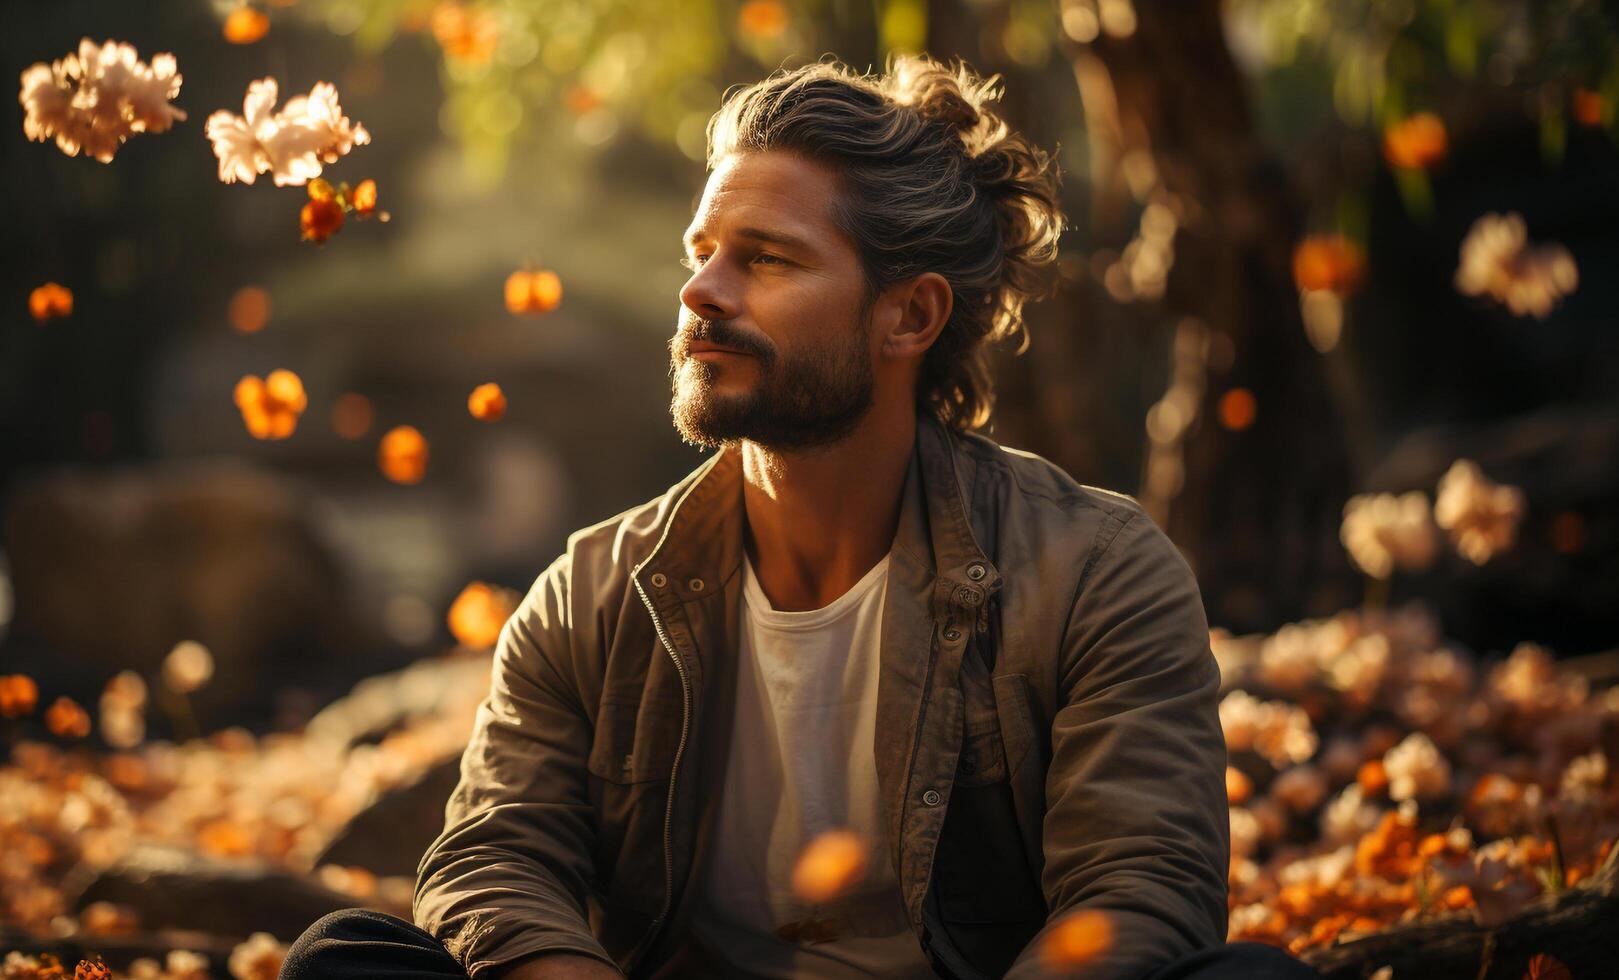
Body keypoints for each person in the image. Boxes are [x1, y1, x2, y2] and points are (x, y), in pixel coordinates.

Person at [283, 54, 1318, 980]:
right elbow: (493, 854)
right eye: (702, 251)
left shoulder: (1092, 568)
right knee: (346, 959)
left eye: (765, 259)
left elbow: (1140, 890)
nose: (699, 292)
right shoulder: (593, 589)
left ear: (907, 315)